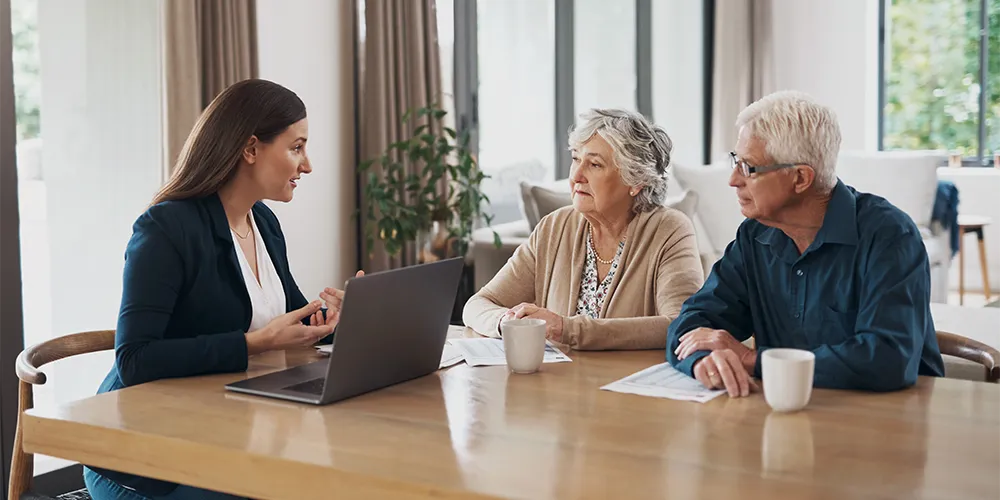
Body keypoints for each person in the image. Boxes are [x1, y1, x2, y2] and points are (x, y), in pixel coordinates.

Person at [84, 79, 359, 499]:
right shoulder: (165, 229)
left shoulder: (262, 222)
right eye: (297, 147)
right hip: (138, 458)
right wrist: (253, 343)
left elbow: (289, 318)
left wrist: (336, 318)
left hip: (221, 427)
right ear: (250, 149)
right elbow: (134, 359)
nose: (307, 165)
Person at [667, 91, 944, 397]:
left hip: (893, 419)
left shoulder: (890, 236)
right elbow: (692, 322)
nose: (733, 179)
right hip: (792, 414)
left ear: (800, 178)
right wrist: (702, 360)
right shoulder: (754, 236)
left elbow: (887, 358)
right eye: (736, 161)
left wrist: (752, 360)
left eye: (748, 167)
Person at [463, 108, 705, 350]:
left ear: (636, 181)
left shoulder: (670, 230)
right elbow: (479, 304)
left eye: (595, 164)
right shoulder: (554, 227)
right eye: (576, 159)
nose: (577, 175)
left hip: (629, 383)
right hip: (557, 383)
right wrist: (506, 321)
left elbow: (681, 325)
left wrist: (567, 329)